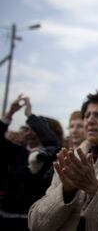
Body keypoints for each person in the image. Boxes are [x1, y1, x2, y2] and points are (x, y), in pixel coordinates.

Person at [28, 91, 98, 231]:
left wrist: (94, 188)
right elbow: (36, 224)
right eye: (87, 116)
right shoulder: (70, 159)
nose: (90, 120)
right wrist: (66, 192)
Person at [0, 95, 61, 231]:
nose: (29, 133)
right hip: (6, 217)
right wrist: (9, 114)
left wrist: (29, 114)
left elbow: (52, 144)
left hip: (34, 222)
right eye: (27, 129)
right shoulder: (17, 152)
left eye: (34, 129)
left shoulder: (51, 155)